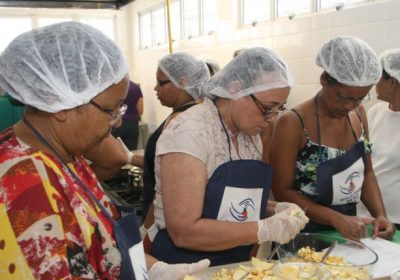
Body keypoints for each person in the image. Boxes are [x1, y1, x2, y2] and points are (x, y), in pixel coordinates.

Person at [0, 22, 213, 280]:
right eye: (111, 110)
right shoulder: (23, 187)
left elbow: (99, 247)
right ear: (62, 105)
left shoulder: (68, 157)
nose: (116, 123)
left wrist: (155, 270)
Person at [146, 47, 309, 266]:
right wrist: (263, 229)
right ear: (235, 89)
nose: (272, 119)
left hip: (233, 261)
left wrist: (276, 210)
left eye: (280, 108)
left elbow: (230, 203)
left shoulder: (249, 135)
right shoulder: (190, 133)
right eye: (267, 108)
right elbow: (184, 232)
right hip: (184, 266)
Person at [269, 36, 395, 241]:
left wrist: (380, 214)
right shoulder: (294, 122)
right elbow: (282, 191)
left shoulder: (359, 115)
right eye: (343, 97)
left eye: (359, 98)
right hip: (303, 233)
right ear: (324, 81)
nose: (349, 106)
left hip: (350, 231)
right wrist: (334, 218)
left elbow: (368, 172)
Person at [141, 52, 210, 229]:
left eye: (161, 82)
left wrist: (146, 230)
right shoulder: (201, 114)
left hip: (163, 222)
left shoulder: (179, 122)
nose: (156, 88)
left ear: (183, 82)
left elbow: (164, 191)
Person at [358, 49, 400, 230]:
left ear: (392, 81)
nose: (375, 84)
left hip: (395, 218)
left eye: (378, 78)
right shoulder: (376, 111)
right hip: (365, 213)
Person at [111, 80, 143, 151]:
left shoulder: (112, 86)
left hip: (116, 124)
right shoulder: (135, 87)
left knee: (115, 152)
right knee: (131, 152)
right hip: (132, 125)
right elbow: (140, 111)